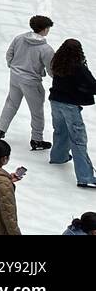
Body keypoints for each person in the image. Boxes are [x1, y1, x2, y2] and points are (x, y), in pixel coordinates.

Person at [0, 15, 55, 151]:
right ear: (45, 29)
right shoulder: (46, 49)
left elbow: (9, 54)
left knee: (11, 103)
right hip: (31, 82)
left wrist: (14, 67)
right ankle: (37, 139)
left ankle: (1, 129)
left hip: (15, 77)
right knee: (37, 111)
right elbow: (51, 69)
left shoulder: (19, 38)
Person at [48, 38, 96, 189]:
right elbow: (92, 86)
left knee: (60, 131)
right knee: (78, 140)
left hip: (55, 101)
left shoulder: (57, 62)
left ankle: (58, 157)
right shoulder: (78, 68)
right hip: (70, 106)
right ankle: (85, 177)